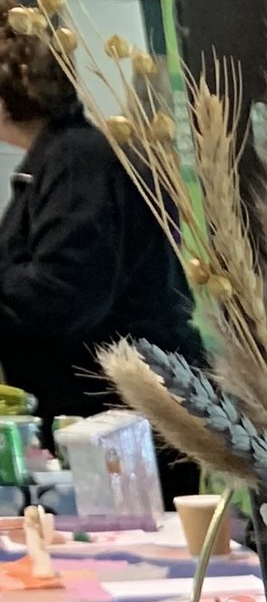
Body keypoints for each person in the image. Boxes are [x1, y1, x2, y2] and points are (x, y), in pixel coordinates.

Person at [0, 23, 198, 431]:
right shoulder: (65, 159)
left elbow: (63, 296)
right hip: (109, 416)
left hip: (126, 423)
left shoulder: (77, 161)